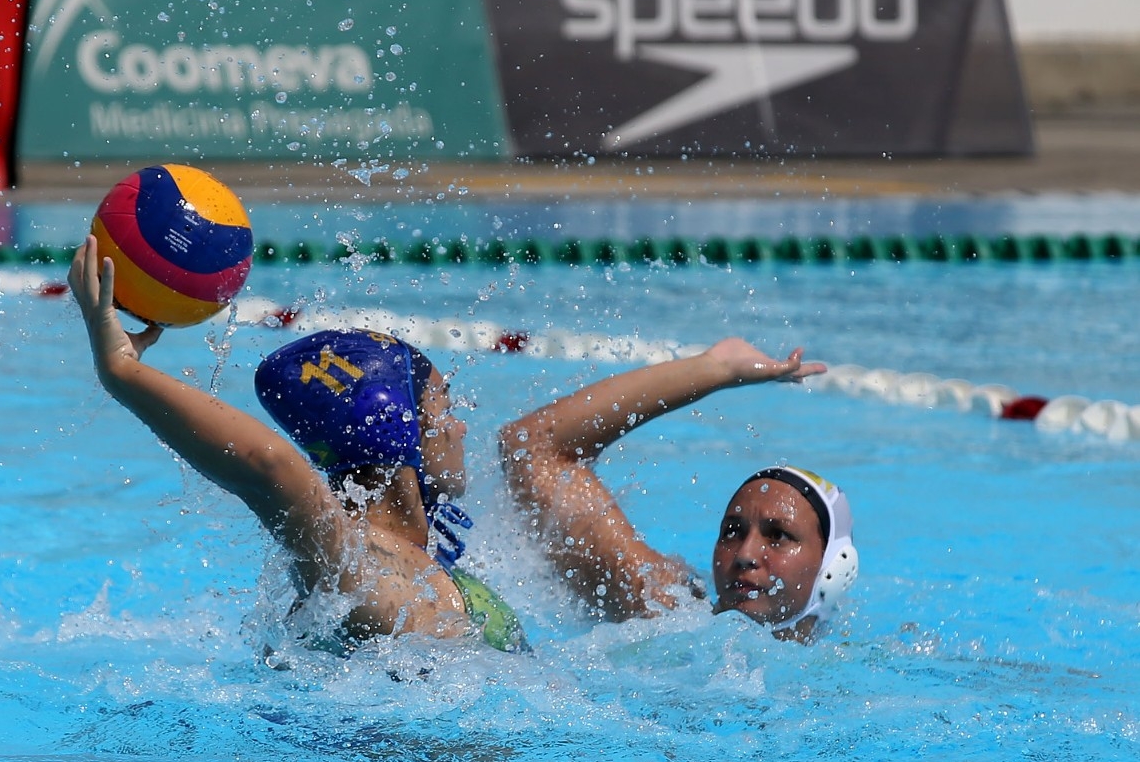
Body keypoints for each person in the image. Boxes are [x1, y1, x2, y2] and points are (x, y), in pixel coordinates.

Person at [68, 235, 856, 652]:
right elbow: (273, 470)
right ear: (398, 431)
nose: (462, 426)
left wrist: (714, 368)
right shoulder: (360, 565)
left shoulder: (432, 553)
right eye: (443, 409)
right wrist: (122, 371)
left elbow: (536, 450)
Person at [498, 339, 858, 642]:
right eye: (732, 532)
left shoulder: (861, 681)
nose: (745, 554)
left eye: (778, 535)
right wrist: (715, 369)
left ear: (834, 567)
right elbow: (531, 448)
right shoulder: (666, 611)